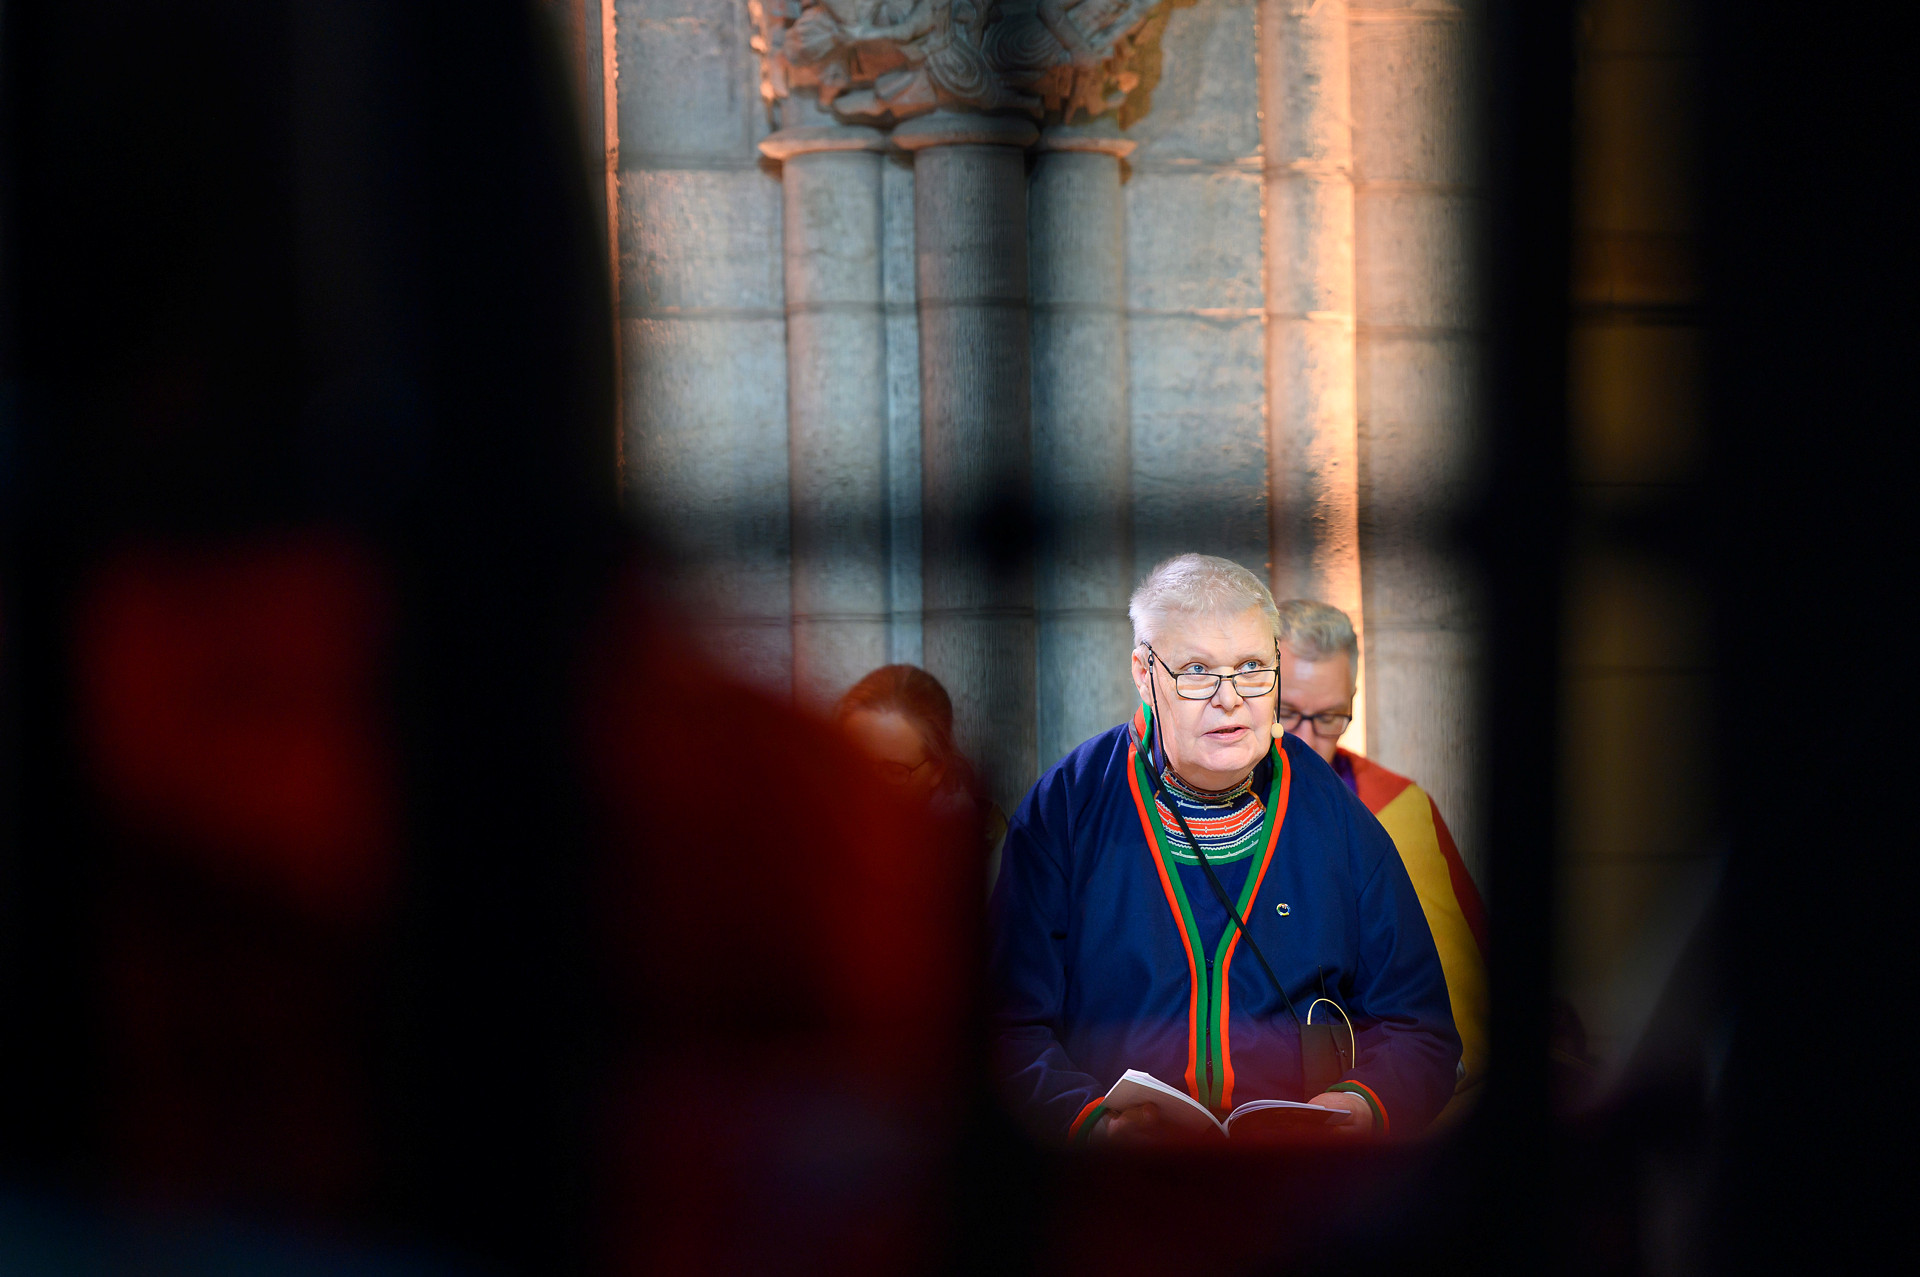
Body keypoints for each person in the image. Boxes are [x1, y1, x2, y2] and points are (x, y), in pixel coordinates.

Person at [989, 555, 1459, 1144]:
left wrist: (1362, 1107)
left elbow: (1422, 1031)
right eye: (1195, 670)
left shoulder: (1339, 820)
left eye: (1252, 667)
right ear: (1143, 673)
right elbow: (1003, 1030)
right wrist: (1092, 1128)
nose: (1230, 698)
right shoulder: (1065, 809)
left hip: (1296, 1189)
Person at [1272, 599, 1490, 1120]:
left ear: (1351, 701)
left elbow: (1455, 1021)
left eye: (1328, 717)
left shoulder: (1395, 808)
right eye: (1286, 713)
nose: (1306, 739)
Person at [836, 664, 1009, 885]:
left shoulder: (986, 853)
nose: (870, 786)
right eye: (855, 764)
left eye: (894, 772)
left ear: (938, 769)